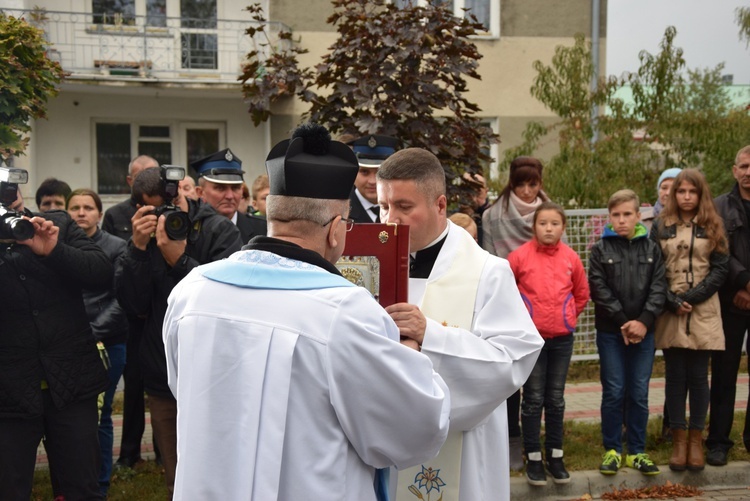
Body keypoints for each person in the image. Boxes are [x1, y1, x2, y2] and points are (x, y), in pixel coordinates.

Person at [163, 123, 450, 500]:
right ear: (335, 230)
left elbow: (182, 386)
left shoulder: (192, 292)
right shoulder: (345, 311)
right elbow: (411, 429)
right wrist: (410, 355)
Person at [377, 148, 544, 500]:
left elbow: (514, 358)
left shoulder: (487, 272)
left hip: (462, 454)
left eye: (404, 207)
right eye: (383, 206)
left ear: (440, 206)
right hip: (385, 442)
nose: (389, 220)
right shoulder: (370, 270)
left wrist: (431, 335)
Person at [115, 167, 243, 497]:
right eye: (154, 210)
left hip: (217, 372)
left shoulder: (218, 229)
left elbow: (229, 298)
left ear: (184, 195)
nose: (165, 216)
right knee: (178, 479)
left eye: (169, 207)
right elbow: (133, 306)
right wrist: (138, 249)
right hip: (162, 375)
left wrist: (180, 260)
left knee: (225, 472)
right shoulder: (141, 241)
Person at [0, 182, 111, 500]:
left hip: (71, 385)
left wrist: (53, 250)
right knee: (10, 487)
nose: (6, 198)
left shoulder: (57, 224)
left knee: (81, 487)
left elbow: (101, 272)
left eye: (9, 189)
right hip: (9, 394)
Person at [651, 168, 729, 472]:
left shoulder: (713, 225)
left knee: (698, 378)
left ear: (700, 194)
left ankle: (696, 440)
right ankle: (678, 440)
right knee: (674, 377)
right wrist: (672, 300)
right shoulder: (661, 225)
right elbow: (655, 268)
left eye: (691, 192)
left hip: (703, 310)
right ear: (673, 194)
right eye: (680, 191)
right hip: (671, 312)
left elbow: (720, 269)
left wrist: (692, 298)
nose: (685, 197)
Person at [508, 201, 589, 486]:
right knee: (532, 400)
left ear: (563, 227)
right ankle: (532, 457)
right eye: (543, 223)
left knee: (555, 399)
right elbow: (506, 293)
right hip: (533, 342)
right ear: (534, 226)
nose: (549, 228)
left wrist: (567, 317)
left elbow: (581, 293)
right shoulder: (519, 258)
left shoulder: (571, 258)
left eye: (555, 223)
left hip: (562, 340)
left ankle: (555, 456)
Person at [588, 189, 667, 477]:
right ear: (609, 217)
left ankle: (637, 450)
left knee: (638, 392)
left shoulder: (652, 249)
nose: (621, 220)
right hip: (611, 332)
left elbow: (659, 287)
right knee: (614, 390)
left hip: (644, 332)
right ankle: (612, 449)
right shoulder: (600, 249)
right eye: (616, 215)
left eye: (627, 215)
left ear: (638, 216)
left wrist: (644, 321)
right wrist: (624, 321)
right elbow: (598, 288)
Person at [481, 155, 549, 470]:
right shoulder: (493, 216)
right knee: (506, 380)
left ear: (540, 184)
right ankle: (508, 443)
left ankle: (536, 447)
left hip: (543, 307)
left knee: (540, 388)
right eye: (520, 184)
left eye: (532, 184)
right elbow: (490, 260)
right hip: (504, 304)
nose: (526, 191)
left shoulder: (550, 215)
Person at [67, 188, 129, 495]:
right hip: (64, 344)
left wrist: (93, 332)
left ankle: (100, 485)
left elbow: (121, 298)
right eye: (75, 208)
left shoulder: (116, 246)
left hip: (106, 343)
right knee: (69, 418)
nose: (81, 213)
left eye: (88, 207)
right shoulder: (56, 247)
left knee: (101, 416)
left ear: (99, 214)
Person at [102, 154, 160, 470]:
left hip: (160, 306)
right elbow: (118, 257)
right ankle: (129, 453)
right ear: (129, 182)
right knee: (134, 385)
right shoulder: (115, 215)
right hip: (132, 314)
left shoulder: (170, 210)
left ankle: (166, 450)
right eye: (141, 176)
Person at [707, 145, 750, 465]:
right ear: (734, 170)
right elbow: (718, 249)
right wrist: (743, 282)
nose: (748, 172)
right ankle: (718, 441)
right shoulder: (719, 206)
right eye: (744, 166)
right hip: (731, 300)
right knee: (724, 375)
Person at [192, 148, 267, 243]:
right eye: (220, 188)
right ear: (200, 192)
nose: (229, 196)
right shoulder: (189, 231)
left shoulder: (263, 230)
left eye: (235, 188)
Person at [348, 135, 398, 223]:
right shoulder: (340, 212)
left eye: (380, 173)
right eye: (364, 172)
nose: (372, 181)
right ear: (353, 172)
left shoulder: (404, 209)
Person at [459, 171, 490, 246]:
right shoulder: (456, 218)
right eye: (470, 192)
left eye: (478, 192)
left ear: (486, 191)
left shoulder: (492, 217)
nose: (473, 198)